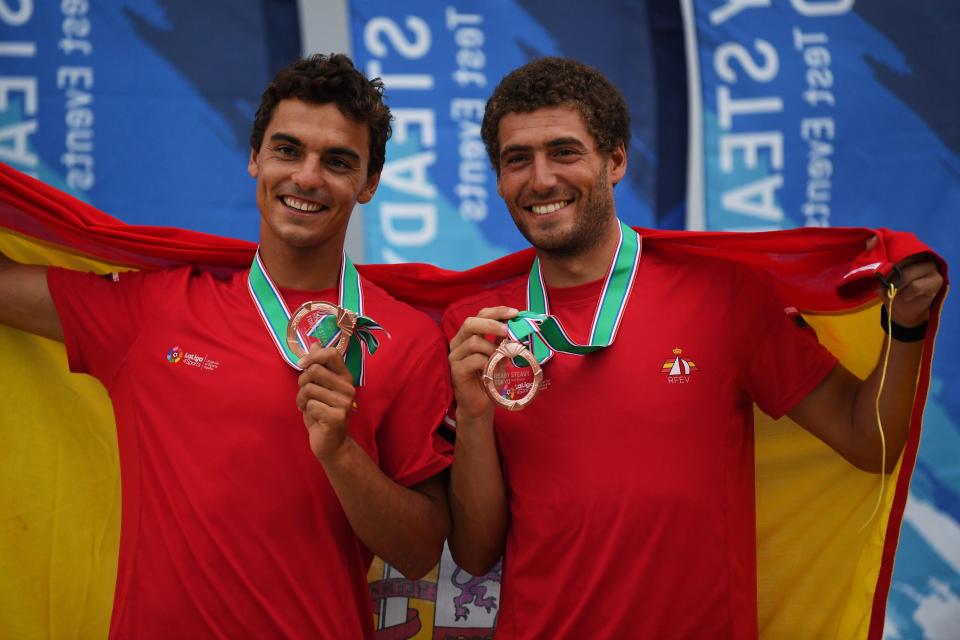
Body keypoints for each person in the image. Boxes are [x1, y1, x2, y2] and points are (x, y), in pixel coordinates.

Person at [442, 57, 944, 638]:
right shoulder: (480, 331)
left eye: (565, 152)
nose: (541, 179)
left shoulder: (722, 294)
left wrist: (904, 327)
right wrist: (474, 417)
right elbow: (476, 555)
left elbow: (868, 442)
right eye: (516, 160)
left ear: (616, 160)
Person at [0, 54, 452, 639]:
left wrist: (341, 454)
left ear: (368, 184)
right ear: (255, 158)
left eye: (337, 162)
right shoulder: (155, 309)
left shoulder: (406, 340)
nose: (308, 177)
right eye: (288, 150)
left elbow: (420, 552)